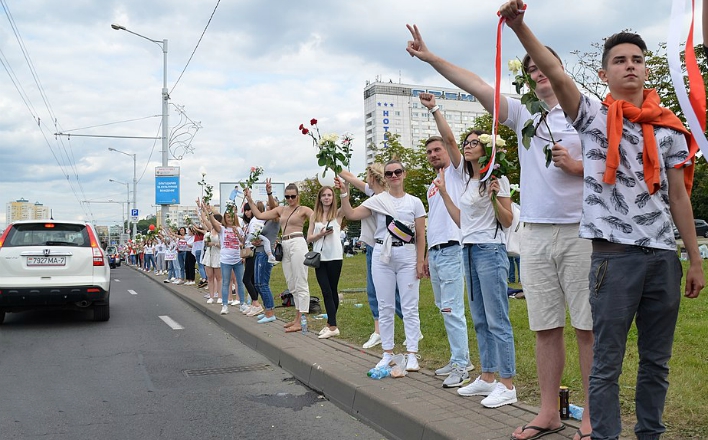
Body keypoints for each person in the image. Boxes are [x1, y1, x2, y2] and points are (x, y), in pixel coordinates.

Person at [500, 2, 705, 439]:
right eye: (619, 60)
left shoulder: (667, 129)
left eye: (637, 60)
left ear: (646, 70)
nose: (630, 66)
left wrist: (694, 258)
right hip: (614, 259)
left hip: (662, 258)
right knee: (606, 361)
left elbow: (678, 197)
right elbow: (555, 74)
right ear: (603, 74)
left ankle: (650, 432)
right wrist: (520, 27)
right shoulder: (592, 117)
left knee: (656, 360)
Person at [407, 22, 593, 440]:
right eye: (531, 69)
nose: (539, 72)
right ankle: (547, 412)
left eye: (546, 65)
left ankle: (590, 418)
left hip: (581, 231)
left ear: (561, 69)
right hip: (537, 235)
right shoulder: (525, 114)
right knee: (545, 327)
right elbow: (475, 84)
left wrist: (577, 167)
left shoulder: (587, 109)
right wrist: (430, 56)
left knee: (586, 327)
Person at [339, 160, 427, 372]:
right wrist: (343, 194)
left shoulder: (414, 202)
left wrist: (420, 261)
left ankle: (412, 353)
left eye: (397, 172)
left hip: (406, 253)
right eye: (389, 173)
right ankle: (387, 352)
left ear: (404, 174)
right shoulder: (378, 200)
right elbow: (350, 215)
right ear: (385, 177)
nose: (394, 176)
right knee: (385, 305)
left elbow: (421, 234)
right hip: (382, 255)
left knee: (409, 305)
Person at [417, 93, 473, 388]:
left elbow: (452, 140)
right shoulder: (432, 186)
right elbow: (432, 222)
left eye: (436, 149)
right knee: (444, 308)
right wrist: (425, 255)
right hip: (437, 253)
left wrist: (435, 110)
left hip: (453, 250)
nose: (433, 154)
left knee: (452, 309)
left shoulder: (456, 173)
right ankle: (457, 358)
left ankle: (462, 366)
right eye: (429, 152)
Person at [338, 168, 404, 349]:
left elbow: (351, 212)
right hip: (374, 245)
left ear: (373, 178)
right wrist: (331, 157)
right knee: (378, 291)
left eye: (367, 176)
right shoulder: (373, 192)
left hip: (382, 247)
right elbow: (350, 177)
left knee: (386, 291)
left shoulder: (382, 197)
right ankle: (380, 331)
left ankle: (401, 327)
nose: (364, 180)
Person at [246, 183, 314, 332]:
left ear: (298, 196)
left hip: (297, 242)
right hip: (284, 244)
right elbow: (259, 215)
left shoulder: (303, 209)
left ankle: (302, 320)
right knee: (291, 283)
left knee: (300, 281)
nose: (290, 199)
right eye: (287, 196)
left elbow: (316, 217)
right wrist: (250, 199)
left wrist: (313, 234)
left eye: (293, 196)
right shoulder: (281, 210)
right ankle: (297, 318)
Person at [307, 186, 346, 339]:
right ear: (320, 198)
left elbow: (346, 201)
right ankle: (332, 325)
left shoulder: (337, 214)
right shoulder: (314, 216)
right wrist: (321, 234)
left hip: (335, 257)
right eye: (324, 195)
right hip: (319, 258)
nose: (327, 198)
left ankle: (332, 325)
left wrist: (345, 187)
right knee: (326, 291)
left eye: (329, 195)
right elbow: (309, 237)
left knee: (333, 289)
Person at [203, 203, 247, 315]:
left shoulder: (238, 229)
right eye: (228, 217)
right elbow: (212, 223)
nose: (230, 219)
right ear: (225, 218)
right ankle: (225, 305)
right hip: (225, 260)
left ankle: (242, 304)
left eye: (232, 217)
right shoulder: (222, 229)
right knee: (225, 282)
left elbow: (243, 242)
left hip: (237, 259)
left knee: (240, 282)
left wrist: (238, 235)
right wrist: (209, 212)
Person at [250, 185, 280, 324]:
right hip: (259, 251)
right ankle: (267, 310)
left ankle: (270, 312)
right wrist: (249, 199)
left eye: (270, 205)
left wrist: (269, 193)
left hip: (266, 255)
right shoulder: (266, 220)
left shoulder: (275, 218)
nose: (269, 207)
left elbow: (274, 208)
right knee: (257, 283)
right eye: (267, 205)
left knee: (263, 283)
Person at [197, 201, 222, 304]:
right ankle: (211, 296)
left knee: (219, 277)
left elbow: (222, 245)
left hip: (217, 254)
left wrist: (214, 244)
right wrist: (201, 207)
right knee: (210, 277)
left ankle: (220, 296)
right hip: (209, 254)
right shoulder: (210, 229)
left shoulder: (221, 230)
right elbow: (204, 218)